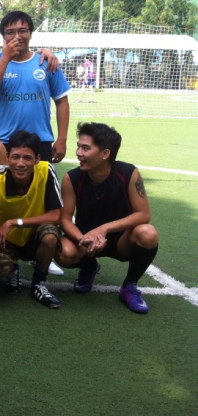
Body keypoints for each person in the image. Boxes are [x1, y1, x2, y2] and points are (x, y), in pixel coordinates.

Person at [56, 123, 159, 314]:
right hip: (85, 239)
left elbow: (144, 214)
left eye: (85, 148)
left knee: (148, 233)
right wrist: (83, 240)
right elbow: (65, 220)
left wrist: (104, 229)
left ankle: (129, 286)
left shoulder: (128, 173)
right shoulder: (72, 178)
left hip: (121, 240)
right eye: (78, 146)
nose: (78, 152)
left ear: (105, 154)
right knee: (64, 253)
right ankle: (88, 267)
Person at [0, 130, 64, 308]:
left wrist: (14, 222)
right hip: (5, 241)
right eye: (15, 157)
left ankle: (38, 284)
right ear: (7, 157)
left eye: (27, 158)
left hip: (33, 237)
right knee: (1, 268)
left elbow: (56, 215)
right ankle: (12, 269)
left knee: (50, 235)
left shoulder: (46, 171)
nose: (21, 163)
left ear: (37, 159)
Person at [0, 11, 71, 164]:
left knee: (40, 187)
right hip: (4, 142)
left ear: (30, 34)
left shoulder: (46, 63)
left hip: (40, 141)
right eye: (10, 32)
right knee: (4, 187)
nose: (17, 36)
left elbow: (61, 101)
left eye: (22, 30)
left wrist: (62, 139)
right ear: (4, 37)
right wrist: (5, 58)